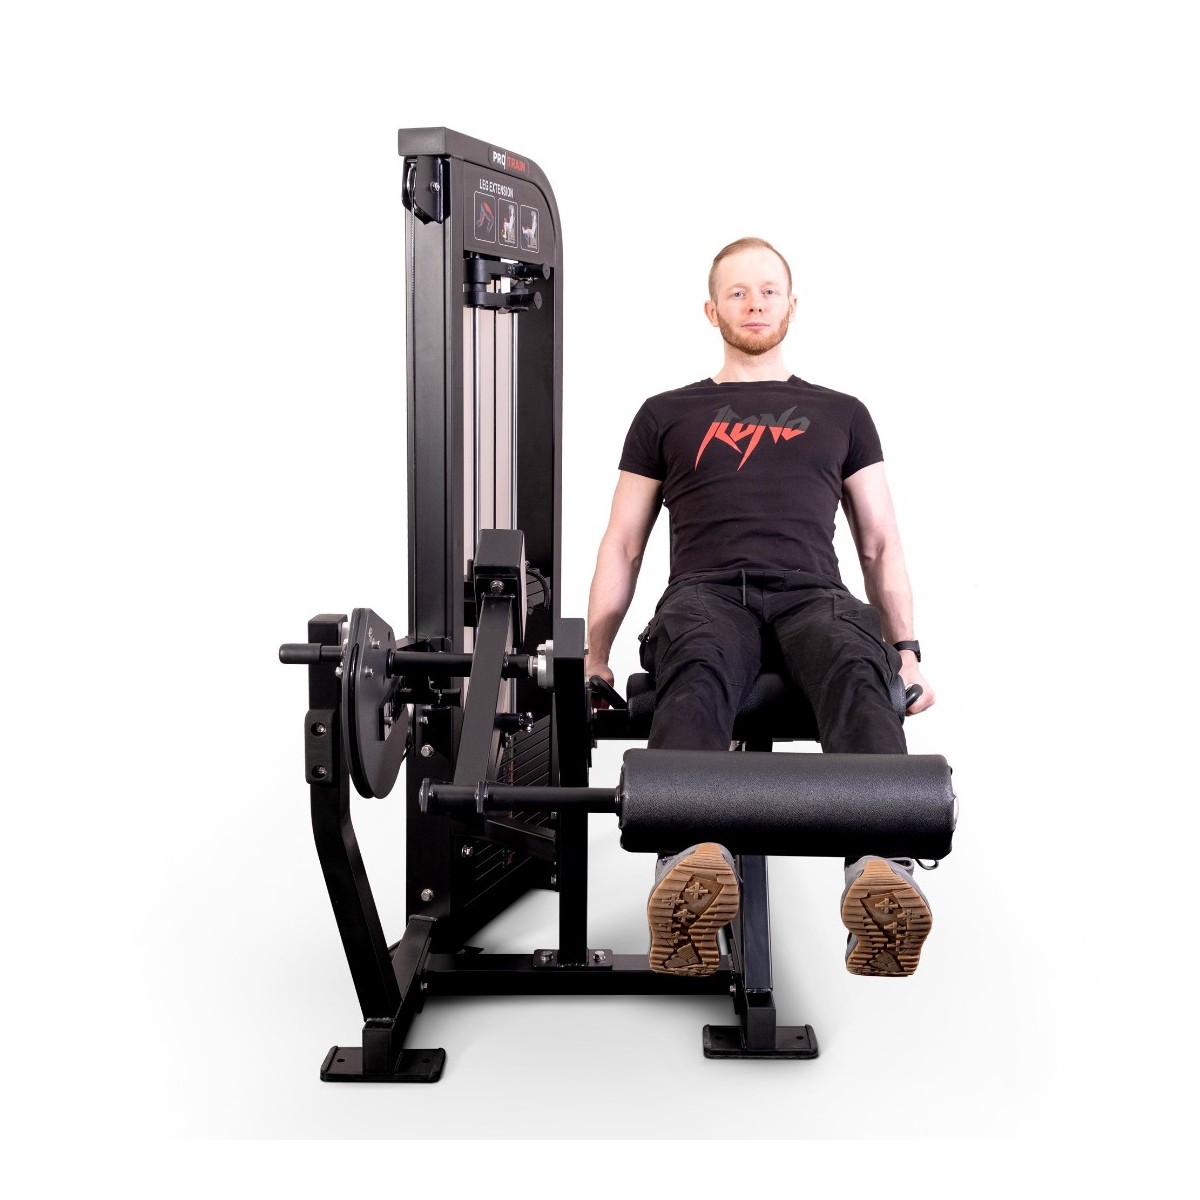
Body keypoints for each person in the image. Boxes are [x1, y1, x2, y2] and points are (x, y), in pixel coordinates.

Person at [583, 237, 938, 979]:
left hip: (813, 594)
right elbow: (623, 542)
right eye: (737, 292)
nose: (754, 304)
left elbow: (879, 542)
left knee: (856, 660)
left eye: (769, 291)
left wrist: (905, 650)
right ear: (711, 310)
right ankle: (687, 874)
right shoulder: (665, 413)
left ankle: (882, 876)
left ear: (792, 305)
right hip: (706, 593)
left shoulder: (843, 412)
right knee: (698, 665)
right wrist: (595, 656)